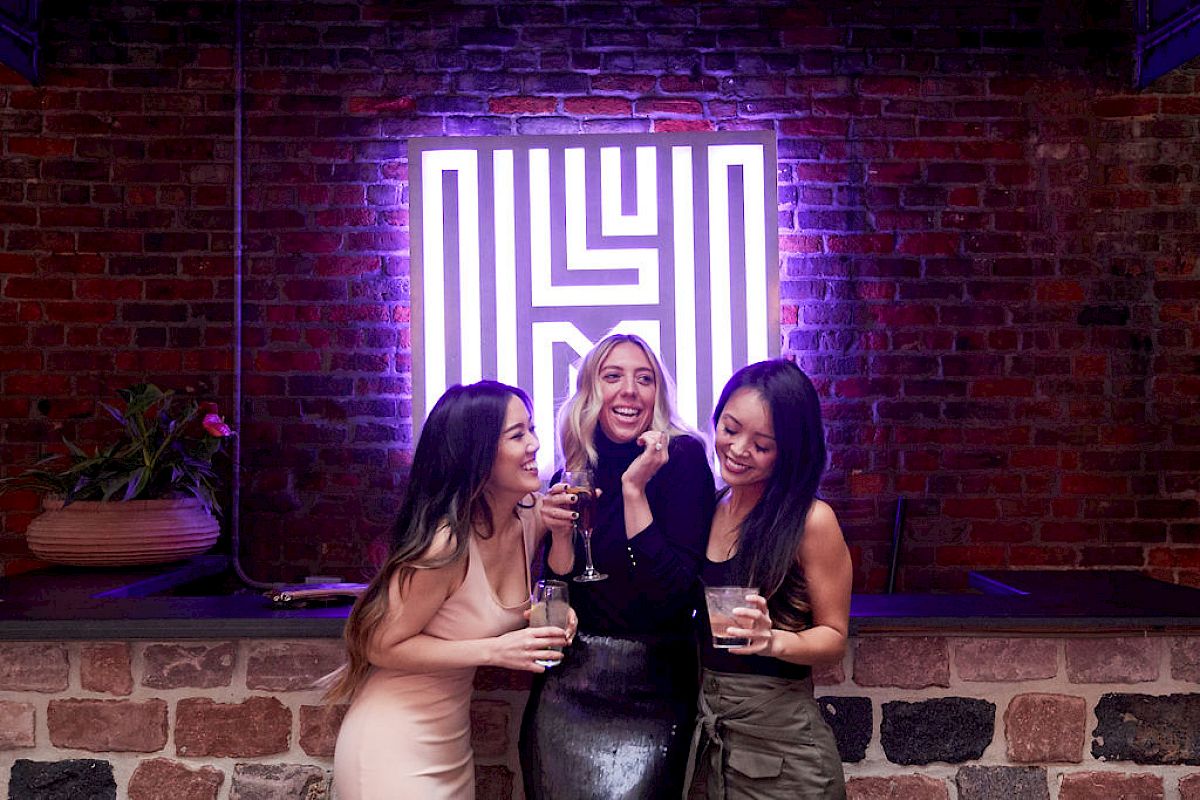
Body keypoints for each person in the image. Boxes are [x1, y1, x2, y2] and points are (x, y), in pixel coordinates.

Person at [329, 381, 569, 800]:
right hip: (392, 743)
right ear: (477, 453)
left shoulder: (527, 518)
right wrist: (495, 651)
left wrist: (561, 613)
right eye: (517, 435)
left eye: (531, 429)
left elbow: (559, 575)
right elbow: (379, 645)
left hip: (450, 745)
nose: (533, 443)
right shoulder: (446, 543)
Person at [520, 333, 717, 800]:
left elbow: (677, 592)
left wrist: (634, 491)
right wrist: (560, 535)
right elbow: (560, 590)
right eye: (613, 376)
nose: (630, 390)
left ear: (657, 394)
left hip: (655, 682)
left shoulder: (683, 459)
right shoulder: (572, 468)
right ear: (592, 391)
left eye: (643, 378)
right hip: (570, 684)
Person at [688, 359, 851, 799]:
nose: (738, 449)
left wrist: (775, 640)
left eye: (762, 444)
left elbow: (834, 638)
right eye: (730, 428)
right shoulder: (711, 507)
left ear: (790, 452)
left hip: (784, 744)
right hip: (714, 735)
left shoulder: (811, 520)